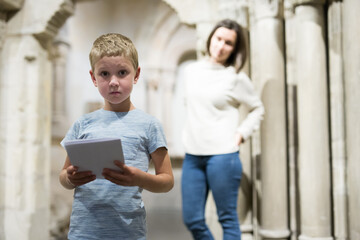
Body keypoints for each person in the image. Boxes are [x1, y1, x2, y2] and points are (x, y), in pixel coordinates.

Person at [59, 33, 174, 240]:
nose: (113, 82)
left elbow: (166, 181)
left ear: (136, 75)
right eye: (104, 74)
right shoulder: (82, 124)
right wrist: (70, 177)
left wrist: (140, 178)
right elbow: (64, 178)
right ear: (93, 78)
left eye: (122, 72)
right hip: (84, 232)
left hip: (128, 232)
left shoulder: (149, 125)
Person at [181, 19, 264, 240]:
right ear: (211, 38)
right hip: (192, 155)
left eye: (228, 43)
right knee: (192, 219)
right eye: (218, 38)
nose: (220, 46)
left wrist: (241, 134)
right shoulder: (191, 71)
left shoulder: (235, 78)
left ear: (235, 49)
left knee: (227, 219)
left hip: (223, 156)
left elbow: (258, 108)